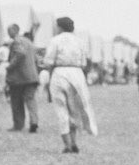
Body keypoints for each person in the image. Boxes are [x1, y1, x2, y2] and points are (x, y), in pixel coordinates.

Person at [42, 17, 98, 154]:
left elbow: (48, 61)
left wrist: (49, 79)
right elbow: (86, 62)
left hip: (59, 72)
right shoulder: (80, 41)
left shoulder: (55, 40)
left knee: (61, 108)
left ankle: (67, 144)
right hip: (76, 72)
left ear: (60, 27)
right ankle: (74, 142)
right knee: (75, 109)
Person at [5, 23, 40, 132]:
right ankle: (34, 122)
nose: (7, 33)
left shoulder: (17, 41)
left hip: (18, 78)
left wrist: (10, 66)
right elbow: (35, 59)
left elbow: (21, 53)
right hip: (32, 76)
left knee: (16, 101)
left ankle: (18, 125)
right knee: (30, 100)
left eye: (8, 30)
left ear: (14, 31)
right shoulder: (29, 42)